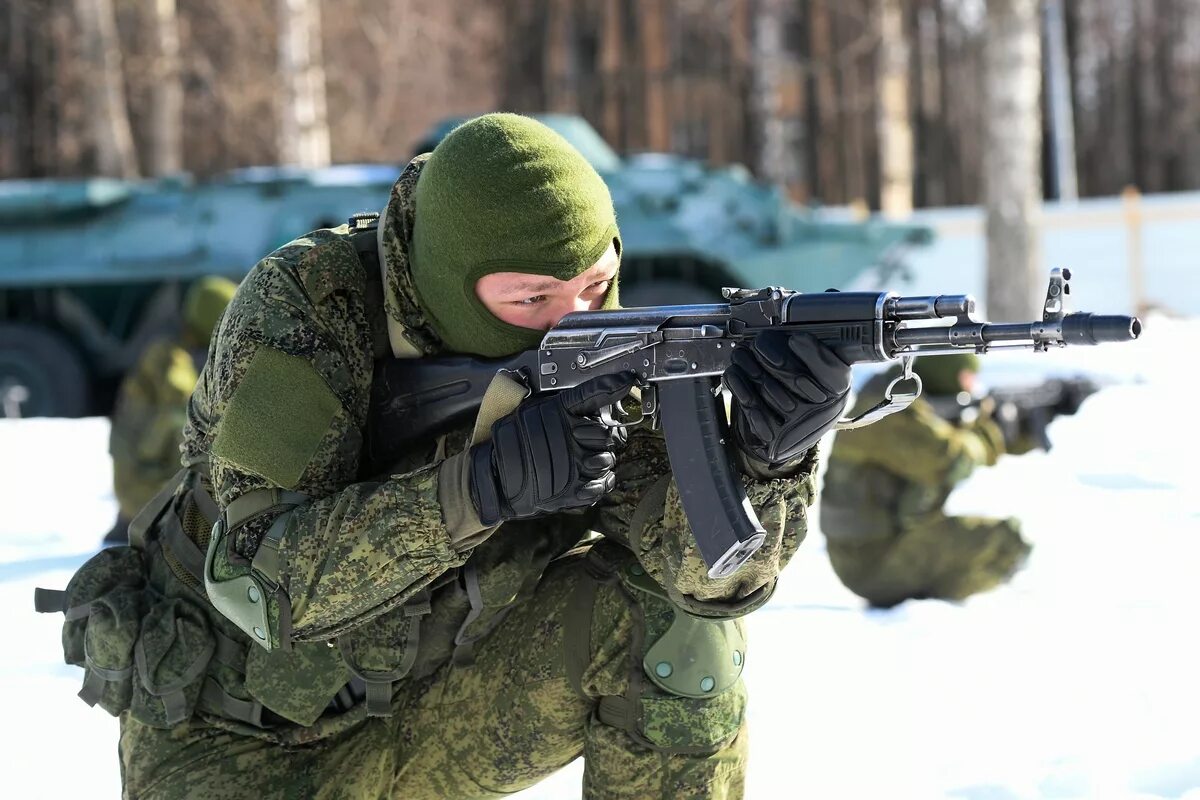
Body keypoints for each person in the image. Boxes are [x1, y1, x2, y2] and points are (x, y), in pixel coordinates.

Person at [51, 114, 851, 798]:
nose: (569, 321)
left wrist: (769, 459)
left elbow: (707, 577)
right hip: (228, 744)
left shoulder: (604, 343)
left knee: (673, 632)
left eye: (594, 284)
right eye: (529, 299)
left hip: (434, 716)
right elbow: (267, 585)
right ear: (446, 282)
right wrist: (478, 491)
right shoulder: (308, 311)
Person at [819, 353, 1034, 609]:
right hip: (872, 562)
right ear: (944, 372)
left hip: (879, 549)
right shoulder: (886, 407)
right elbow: (950, 461)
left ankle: (927, 603)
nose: (971, 386)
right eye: (966, 376)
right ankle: (927, 604)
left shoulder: (906, 401)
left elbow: (955, 441)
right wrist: (990, 430)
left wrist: (1024, 427)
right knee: (1007, 542)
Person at [103, 276, 237, 545]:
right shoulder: (170, 359)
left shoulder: (169, 351)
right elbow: (187, 414)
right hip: (143, 492)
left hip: (134, 488)